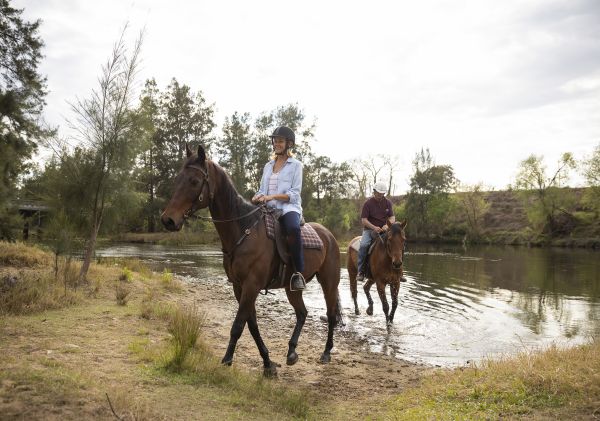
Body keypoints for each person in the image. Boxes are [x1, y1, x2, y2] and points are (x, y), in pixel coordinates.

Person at [252, 126, 306, 291]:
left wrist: (272, 197)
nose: (277, 143)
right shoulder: (268, 166)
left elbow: (294, 194)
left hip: (288, 208)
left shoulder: (296, 165)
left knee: (293, 229)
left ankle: (298, 273)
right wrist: (257, 197)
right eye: (275, 141)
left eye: (280, 141)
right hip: (268, 208)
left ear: (289, 144)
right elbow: (262, 190)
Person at [356, 181, 396, 282]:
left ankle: (399, 271)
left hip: (384, 230)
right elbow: (364, 220)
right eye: (378, 193)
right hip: (369, 230)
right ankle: (360, 271)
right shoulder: (367, 204)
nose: (380, 196)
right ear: (374, 192)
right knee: (364, 245)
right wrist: (374, 227)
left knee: (397, 243)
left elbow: (392, 217)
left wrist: (387, 225)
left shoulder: (387, 203)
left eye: (382, 194)